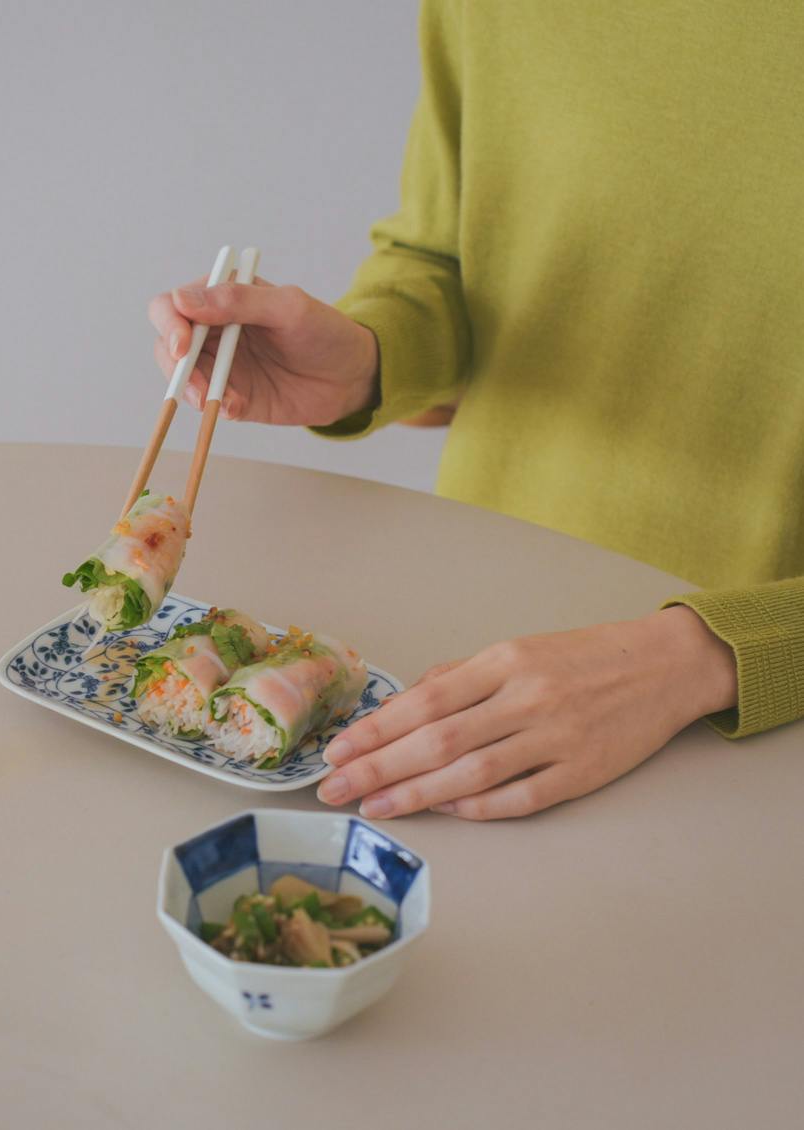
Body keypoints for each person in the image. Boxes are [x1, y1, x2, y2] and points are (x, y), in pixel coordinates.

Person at [148, 1, 804, 820]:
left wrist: (708, 653)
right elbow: (448, 257)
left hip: (753, 725)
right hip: (463, 643)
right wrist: (373, 358)